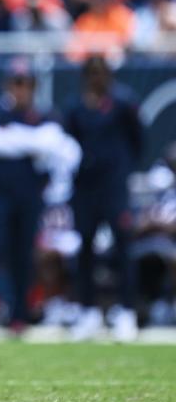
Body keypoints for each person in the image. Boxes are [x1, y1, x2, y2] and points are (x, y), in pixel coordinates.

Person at [0, 63, 79, 334]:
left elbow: (50, 143)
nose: (20, 88)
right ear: (7, 85)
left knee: (23, 257)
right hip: (0, 195)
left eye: (25, 82)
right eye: (15, 82)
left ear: (33, 86)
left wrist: (10, 137)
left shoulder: (45, 115)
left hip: (30, 197)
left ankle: (19, 317)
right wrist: (28, 141)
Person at [64, 55, 142, 341]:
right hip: (84, 188)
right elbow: (68, 143)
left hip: (113, 187)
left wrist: (120, 171)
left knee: (123, 247)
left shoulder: (123, 102)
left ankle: (127, 311)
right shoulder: (75, 106)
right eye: (92, 72)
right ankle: (88, 311)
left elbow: (137, 140)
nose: (97, 78)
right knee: (84, 249)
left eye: (101, 72)